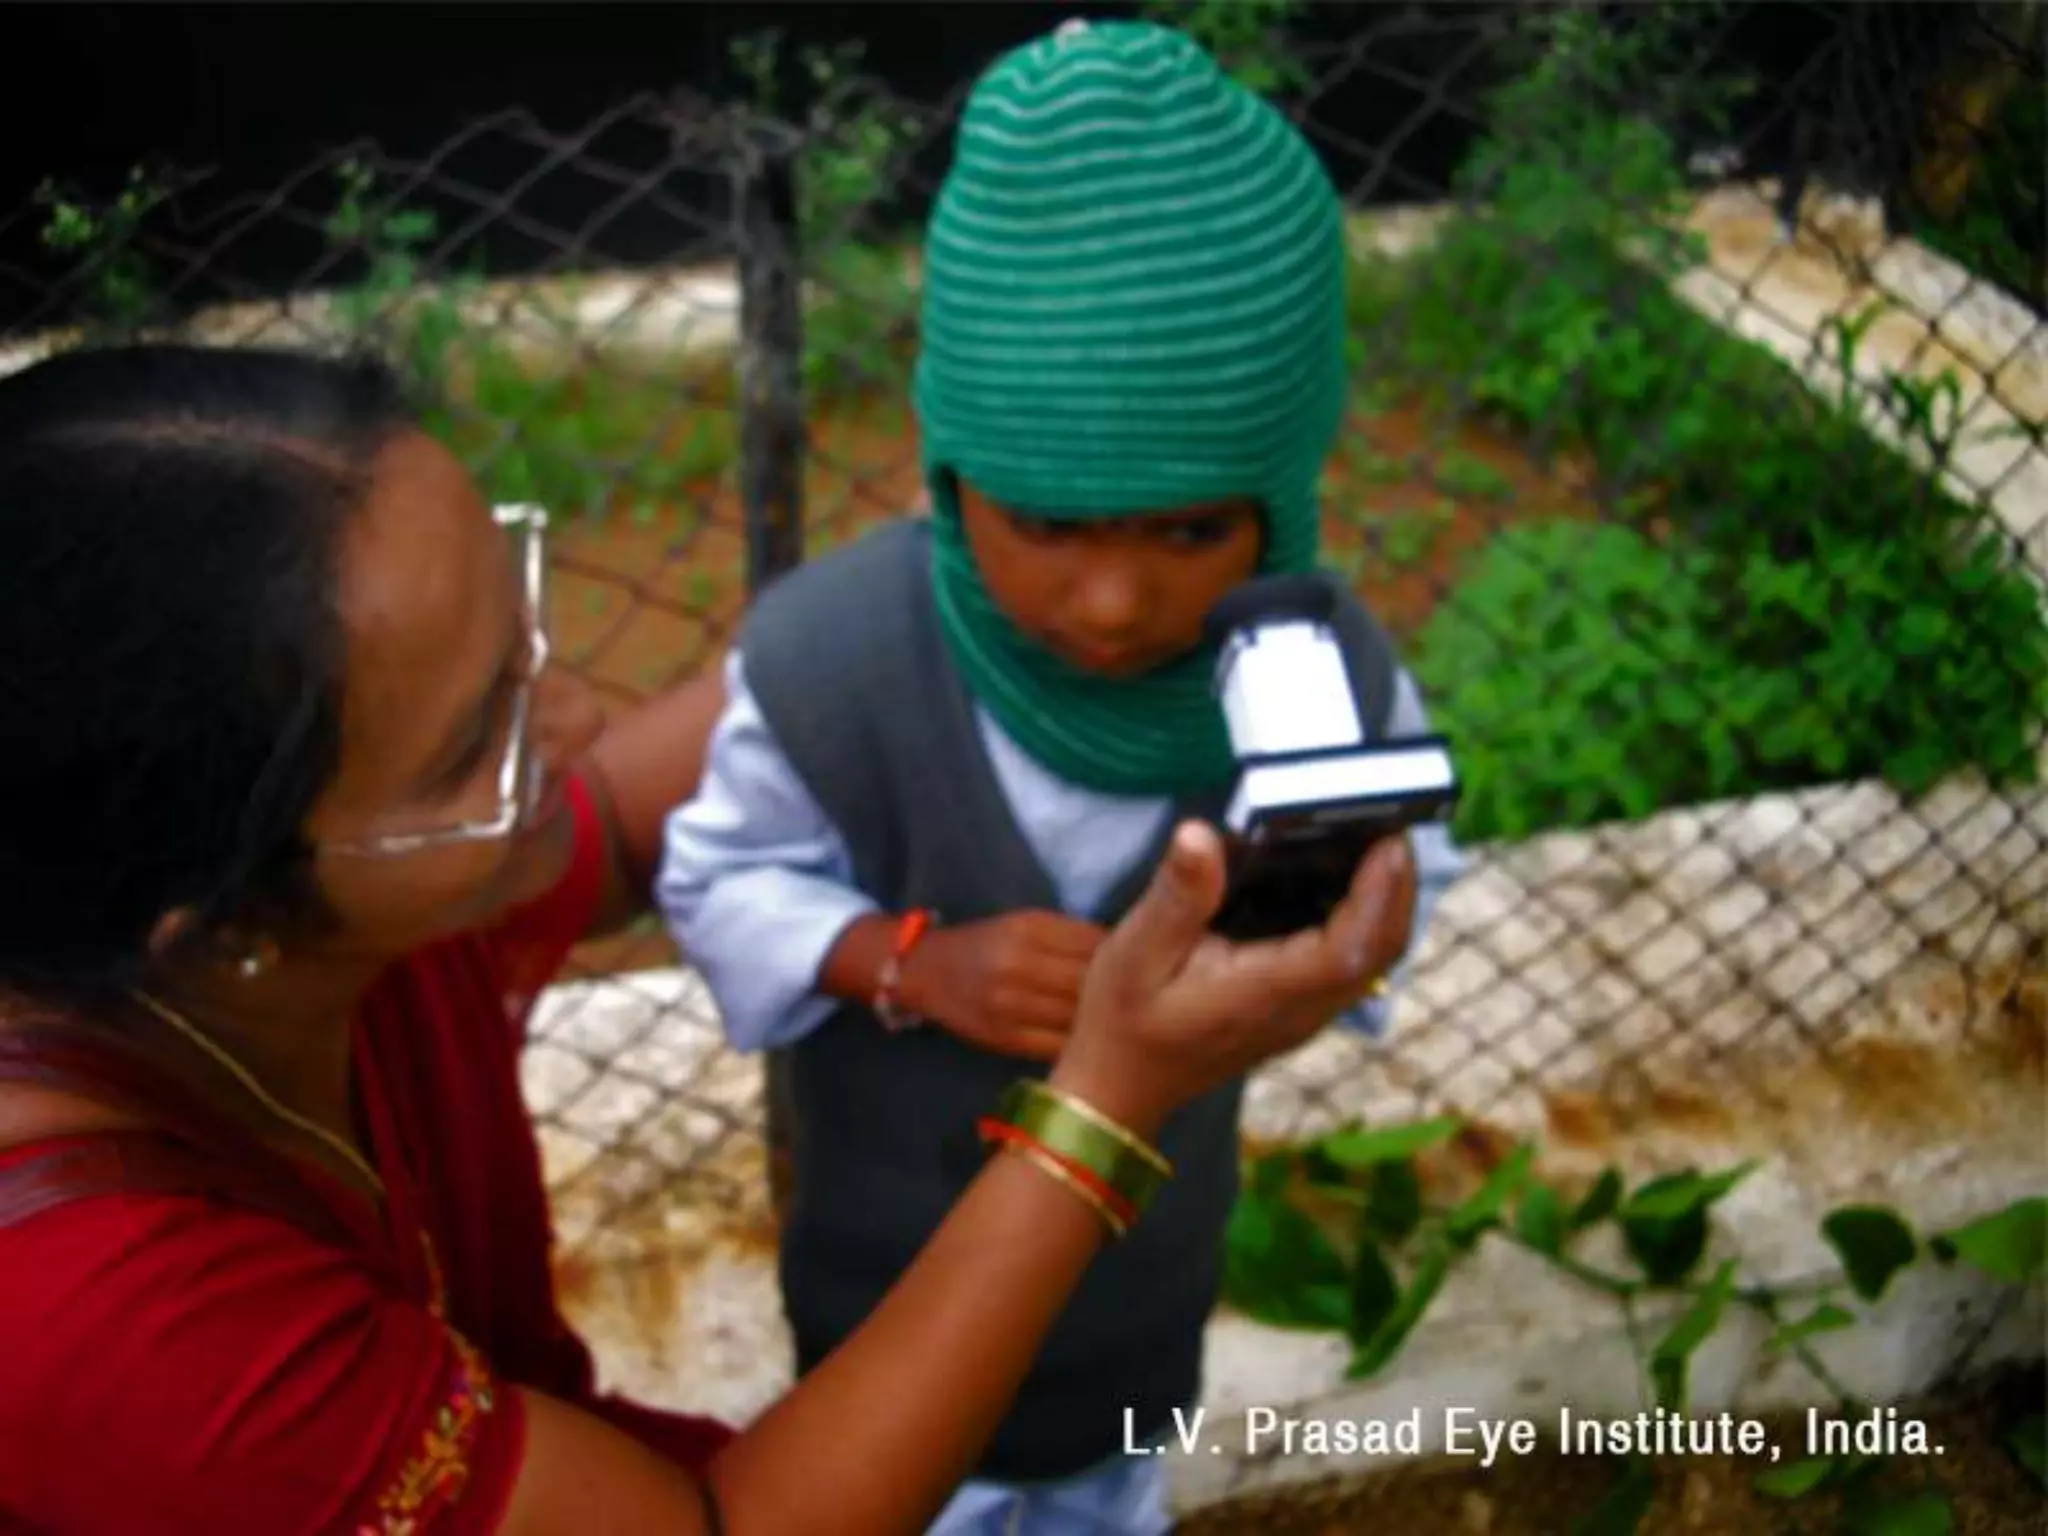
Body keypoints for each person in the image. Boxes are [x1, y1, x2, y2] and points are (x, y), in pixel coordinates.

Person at [0, 340, 1417, 1536]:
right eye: (473, 746)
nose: (568, 724)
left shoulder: (330, 920)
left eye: (524, 642)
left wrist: (973, 589)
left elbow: (609, 821)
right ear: (226, 919)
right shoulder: (112, 1332)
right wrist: (1106, 1090)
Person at [656, 18, 1466, 1535]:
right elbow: (714, 876)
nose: (1109, 605)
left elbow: (1397, 879)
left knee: (1112, 1491)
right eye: (1045, 523)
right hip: (880, 1336)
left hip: (1143, 1307)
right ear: (951, 472)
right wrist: (903, 959)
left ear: (1281, 505)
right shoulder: (832, 661)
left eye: (1187, 533)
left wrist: (1327, 948)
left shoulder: (1318, 685)